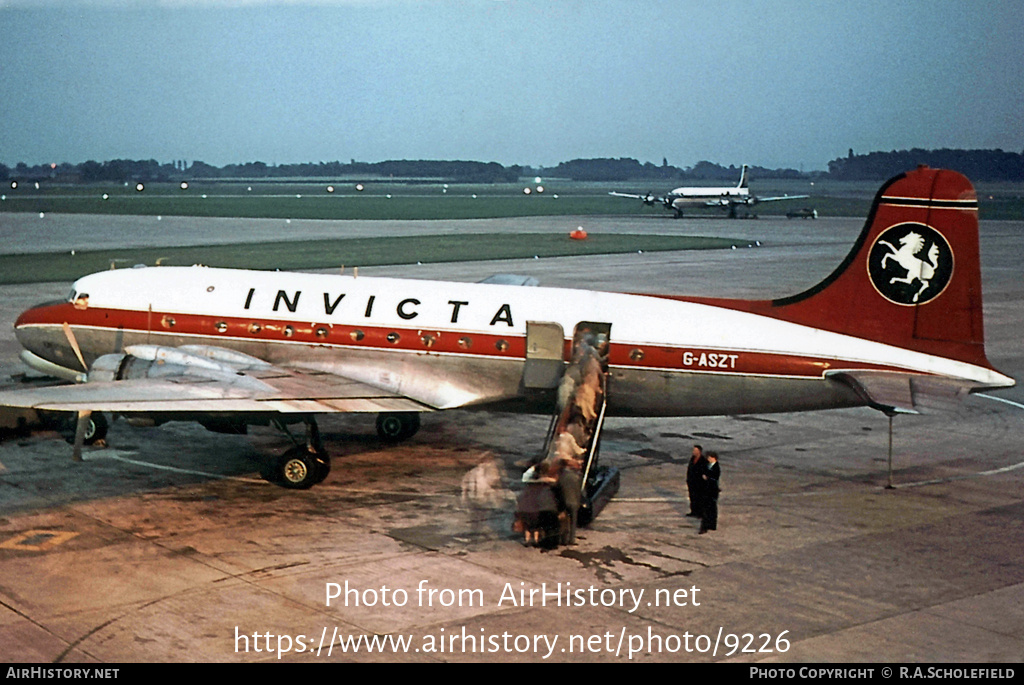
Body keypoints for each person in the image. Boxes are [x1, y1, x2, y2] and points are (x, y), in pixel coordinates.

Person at [699, 451, 721, 534]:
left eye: (709, 457)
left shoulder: (716, 467)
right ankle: (711, 525)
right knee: (711, 508)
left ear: (713, 458)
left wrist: (707, 477)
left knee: (708, 509)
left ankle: (705, 526)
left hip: (711, 491)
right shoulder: (709, 465)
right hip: (708, 490)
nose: (708, 459)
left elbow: (714, 477)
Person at [686, 444, 705, 517]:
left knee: (699, 498)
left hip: (699, 483)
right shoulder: (692, 458)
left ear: (699, 451)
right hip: (691, 482)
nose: (693, 452)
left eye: (695, 450)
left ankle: (700, 513)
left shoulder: (703, 460)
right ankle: (693, 511)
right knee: (692, 497)